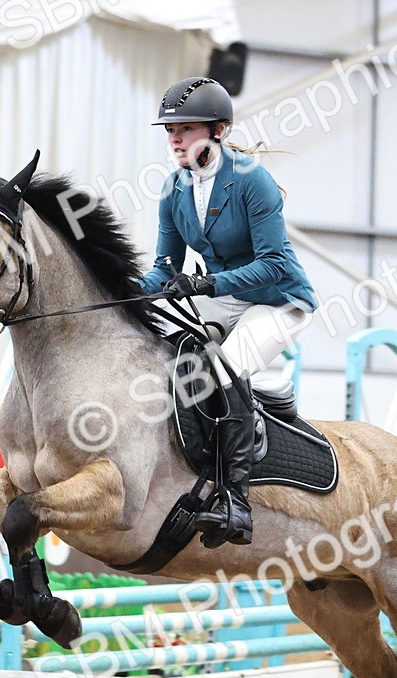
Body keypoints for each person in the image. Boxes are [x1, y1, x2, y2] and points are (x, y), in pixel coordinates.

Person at [140, 76, 318, 549]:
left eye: (186, 128)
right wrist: (127, 291)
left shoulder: (251, 180)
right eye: (170, 130)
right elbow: (164, 269)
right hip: (224, 296)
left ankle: (235, 502)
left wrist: (207, 283)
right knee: (165, 348)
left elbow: (274, 262)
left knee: (222, 368)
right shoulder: (174, 189)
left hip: (279, 299)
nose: (174, 138)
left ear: (217, 131)